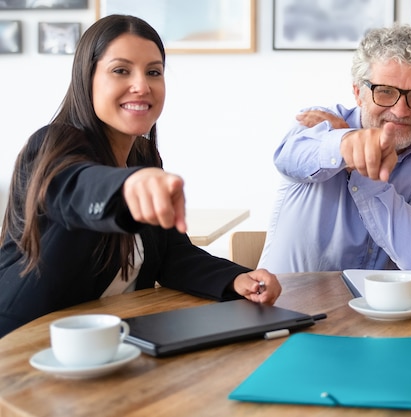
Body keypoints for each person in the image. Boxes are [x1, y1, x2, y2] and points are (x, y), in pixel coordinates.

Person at [0, 15, 280, 338]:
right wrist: (126, 186)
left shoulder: (144, 157)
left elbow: (173, 256)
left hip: (112, 346)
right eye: (121, 70)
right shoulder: (51, 146)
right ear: (87, 78)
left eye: (154, 72)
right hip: (25, 345)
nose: (142, 86)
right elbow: (77, 187)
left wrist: (235, 280)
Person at [258, 25, 411, 273]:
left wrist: (366, 170)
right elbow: (286, 159)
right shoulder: (317, 124)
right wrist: (347, 143)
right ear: (358, 92)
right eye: (385, 92)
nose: (400, 111)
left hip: (381, 310)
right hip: (289, 306)